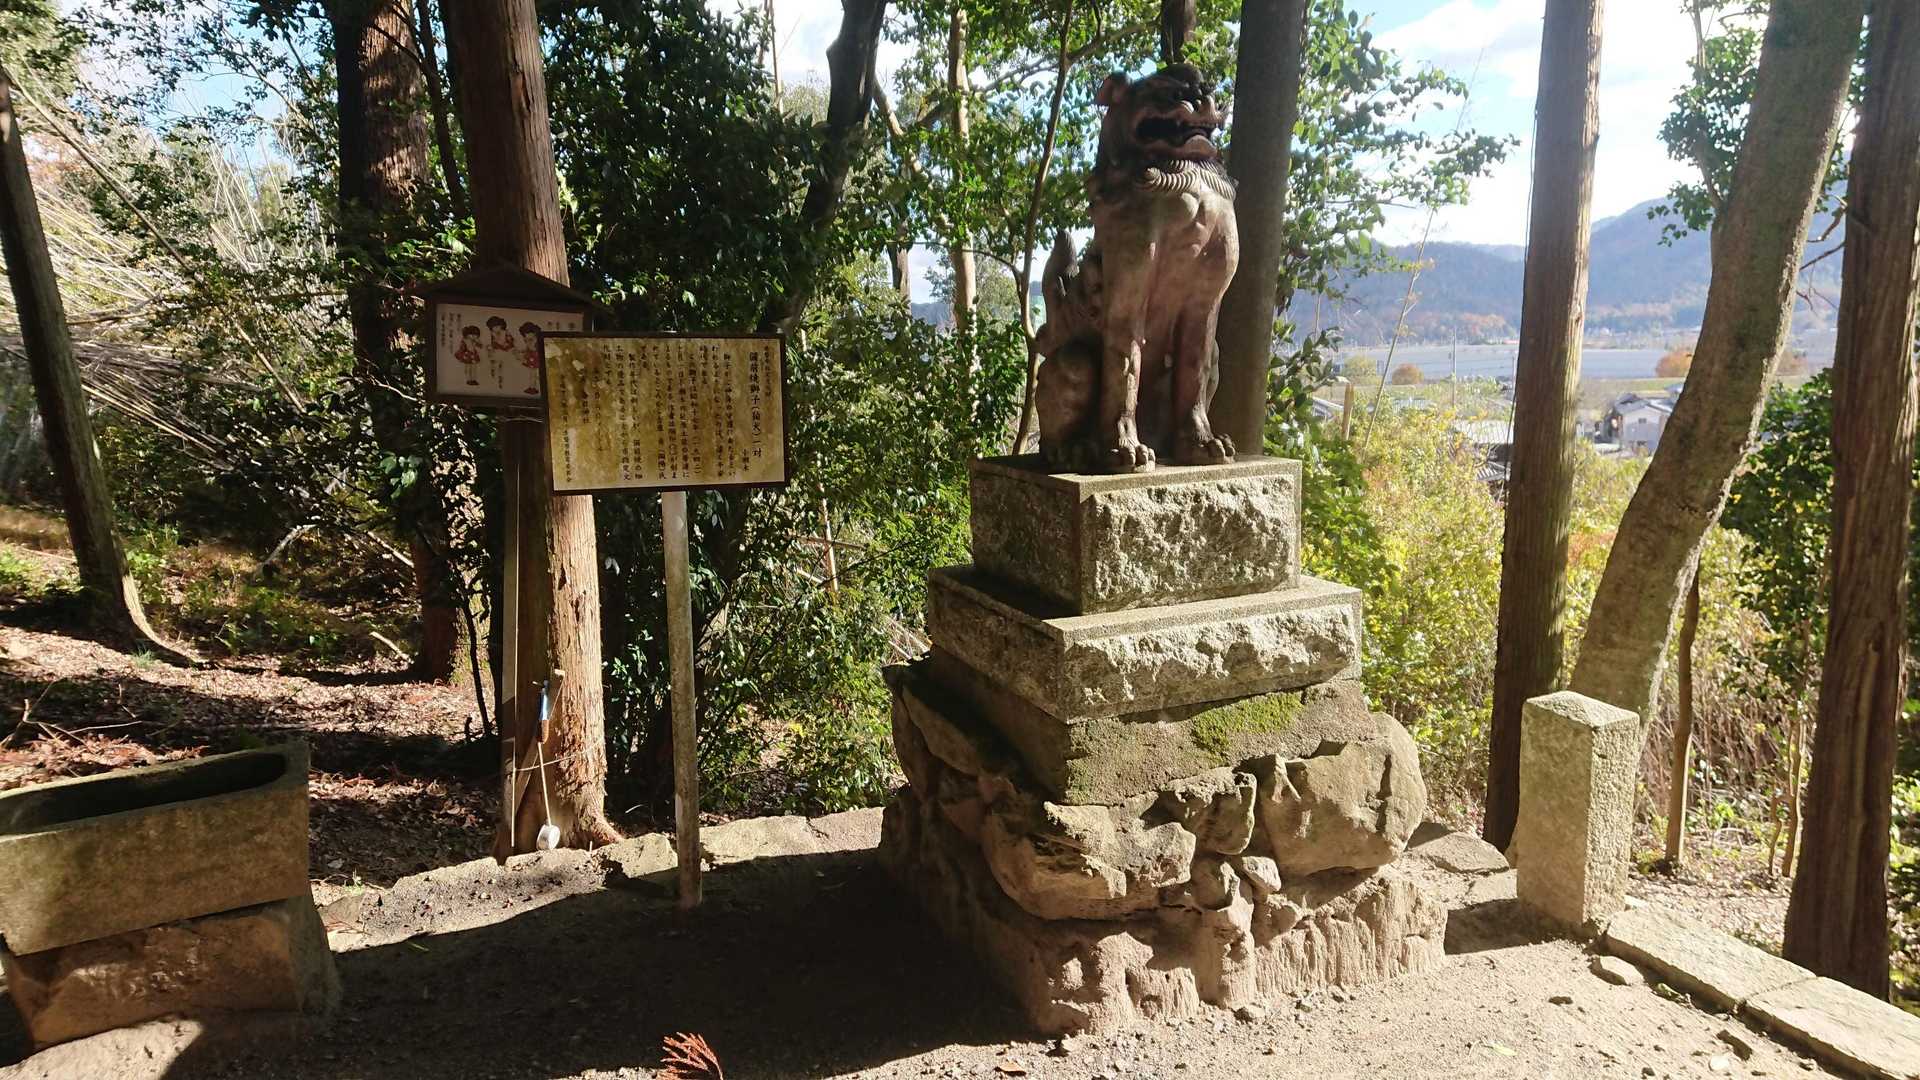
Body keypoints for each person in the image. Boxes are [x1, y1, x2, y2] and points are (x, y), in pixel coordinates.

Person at [519, 321, 543, 395]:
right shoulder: (529, 346)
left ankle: (535, 387)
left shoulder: (539, 346)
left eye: (531, 340)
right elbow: (527, 349)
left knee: (536, 375)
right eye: (525, 340)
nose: (528, 342)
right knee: (532, 375)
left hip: (536, 359)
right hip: (531, 359)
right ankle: (532, 387)